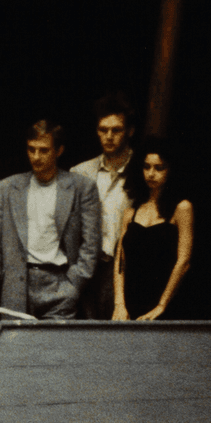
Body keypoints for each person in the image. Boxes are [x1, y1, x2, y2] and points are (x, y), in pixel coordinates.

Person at [0, 120, 101, 320]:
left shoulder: (81, 187)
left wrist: (74, 285)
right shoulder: (7, 188)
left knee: (55, 349)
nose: (36, 157)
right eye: (31, 150)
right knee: (19, 349)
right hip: (17, 285)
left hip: (59, 284)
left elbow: (92, 244)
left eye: (43, 150)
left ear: (59, 151)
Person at [71, 93, 136, 319]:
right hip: (86, 267)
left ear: (130, 131)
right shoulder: (80, 173)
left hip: (124, 270)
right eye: (103, 130)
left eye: (116, 130)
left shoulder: (142, 171)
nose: (109, 136)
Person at [114, 139, 193, 321]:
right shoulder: (131, 211)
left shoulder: (181, 208)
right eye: (147, 167)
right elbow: (120, 263)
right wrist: (119, 304)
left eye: (159, 168)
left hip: (166, 303)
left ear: (170, 170)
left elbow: (184, 261)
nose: (151, 174)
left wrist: (161, 306)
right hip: (130, 303)